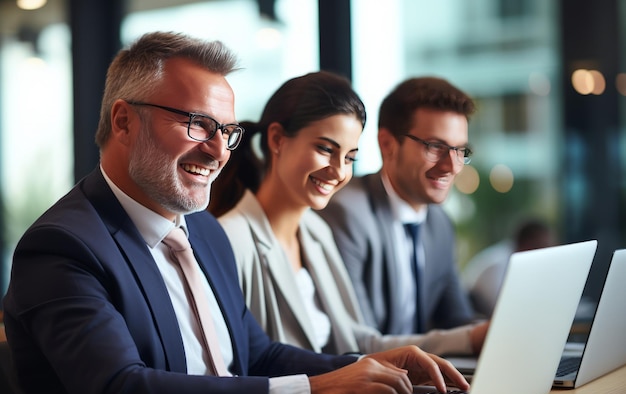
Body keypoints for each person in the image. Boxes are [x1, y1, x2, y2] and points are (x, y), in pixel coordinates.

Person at [2, 32, 470, 394]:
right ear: (124, 122)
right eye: (198, 124)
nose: (219, 151)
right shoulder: (63, 247)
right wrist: (310, 393)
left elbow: (258, 355)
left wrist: (362, 366)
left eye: (226, 131)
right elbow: (121, 392)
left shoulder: (203, 231)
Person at [211, 71, 487, 359]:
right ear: (278, 139)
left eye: (350, 157)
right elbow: (244, 369)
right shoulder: (230, 241)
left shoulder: (315, 232)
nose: (339, 171)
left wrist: (469, 340)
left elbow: (355, 342)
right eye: (325, 149)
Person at [318, 77, 477, 336]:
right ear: (387, 144)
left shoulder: (439, 223)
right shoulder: (347, 213)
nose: (452, 166)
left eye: (460, 150)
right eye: (436, 147)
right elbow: (359, 341)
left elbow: (457, 321)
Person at [462, 218, 556, 317]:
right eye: (544, 246)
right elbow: (501, 309)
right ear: (529, 244)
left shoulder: (519, 261)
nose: (548, 251)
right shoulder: (495, 265)